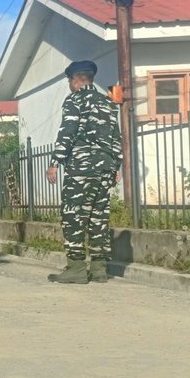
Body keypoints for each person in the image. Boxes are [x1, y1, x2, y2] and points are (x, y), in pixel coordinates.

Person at [45, 60, 122, 284]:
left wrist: (55, 162)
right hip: (105, 168)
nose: (70, 84)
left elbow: (67, 131)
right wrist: (116, 166)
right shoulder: (107, 103)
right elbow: (116, 136)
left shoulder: (75, 100)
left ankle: (77, 267)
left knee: (73, 215)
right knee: (99, 217)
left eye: (70, 80)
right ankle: (99, 269)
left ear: (77, 79)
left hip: (82, 167)